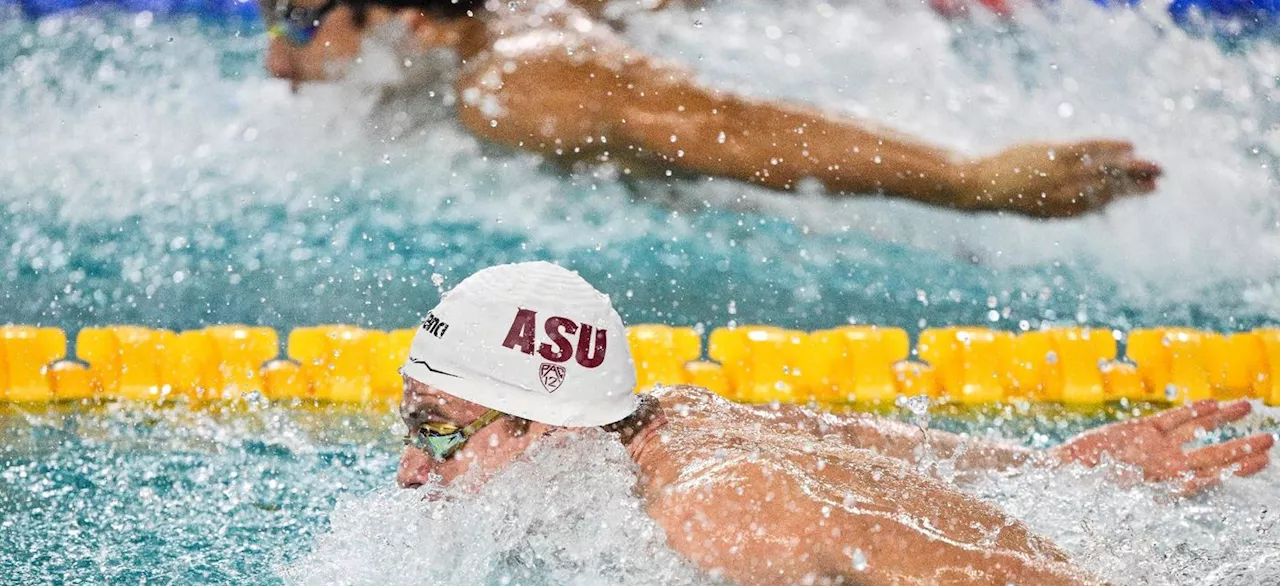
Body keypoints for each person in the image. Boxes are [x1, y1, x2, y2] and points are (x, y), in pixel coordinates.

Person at [395, 261, 1280, 586]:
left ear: (548, 433)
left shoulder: (714, 510)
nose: (410, 469)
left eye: (436, 429)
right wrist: (1057, 467)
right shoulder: (669, 417)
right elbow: (852, 437)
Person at [260, 0, 1162, 218]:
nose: (275, 58)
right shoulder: (474, 41)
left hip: (805, 218)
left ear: (409, 21)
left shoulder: (514, 85)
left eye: (300, 19)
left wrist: (971, 180)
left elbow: (722, 128)